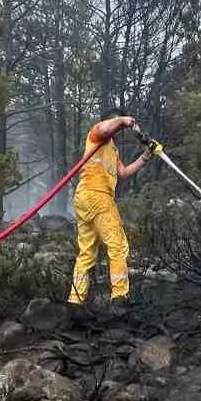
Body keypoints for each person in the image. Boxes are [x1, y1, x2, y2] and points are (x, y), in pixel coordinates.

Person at [67, 114, 155, 313]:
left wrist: (146, 156)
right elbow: (105, 128)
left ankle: (75, 301)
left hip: (85, 198)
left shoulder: (111, 148)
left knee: (87, 253)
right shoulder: (97, 133)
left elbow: (122, 173)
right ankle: (119, 298)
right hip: (98, 197)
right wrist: (124, 120)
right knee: (118, 246)